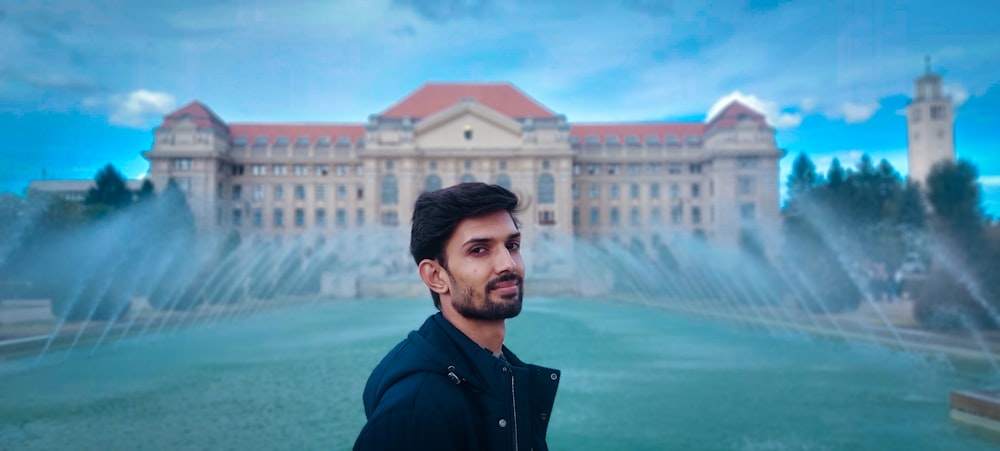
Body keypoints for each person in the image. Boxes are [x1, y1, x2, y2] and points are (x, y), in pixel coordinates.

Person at [353, 183, 560, 451]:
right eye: (479, 250)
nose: (508, 263)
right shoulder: (415, 410)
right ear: (435, 276)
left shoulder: (496, 369)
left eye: (512, 245)